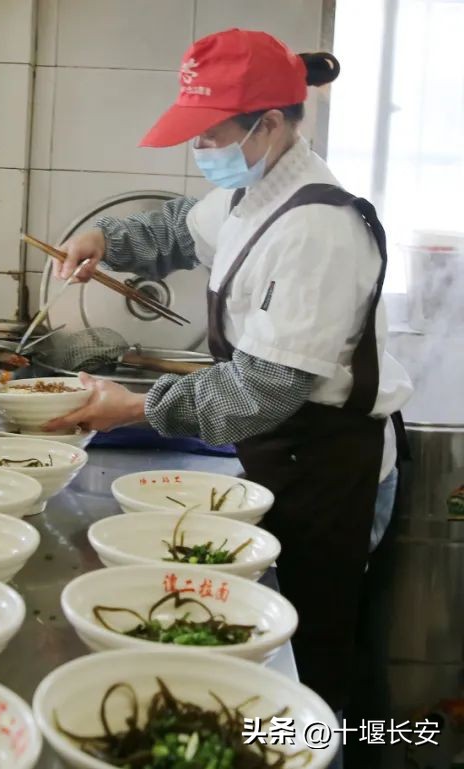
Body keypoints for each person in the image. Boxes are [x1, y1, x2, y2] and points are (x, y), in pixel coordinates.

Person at [45, 28, 412, 764]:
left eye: (211, 135)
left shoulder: (318, 229)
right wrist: (106, 238)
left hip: (332, 466)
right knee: (300, 641)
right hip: (292, 451)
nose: (200, 151)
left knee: (312, 651)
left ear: (268, 124)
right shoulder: (254, 192)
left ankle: (335, 750)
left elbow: (262, 388)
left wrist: (138, 407)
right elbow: (183, 228)